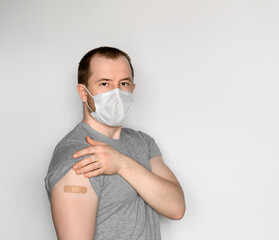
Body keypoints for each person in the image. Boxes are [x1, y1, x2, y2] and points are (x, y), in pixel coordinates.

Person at [44, 46, 185, 240]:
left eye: (124, 83)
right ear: (83, 93)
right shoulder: (78, 156)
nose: (117, 92)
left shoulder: (142, 142)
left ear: (133, 88)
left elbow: (176, 208)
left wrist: (122, 164)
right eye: (104, 84)